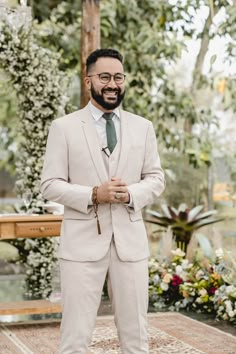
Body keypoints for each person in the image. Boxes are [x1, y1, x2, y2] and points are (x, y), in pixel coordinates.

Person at [41, 48, 165, 354]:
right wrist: (93, 194)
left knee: (136, 336)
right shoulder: (64, 128)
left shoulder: (143, 127)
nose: (113, 84)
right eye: (105, 77)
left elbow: (156, 179)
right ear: (88, 82)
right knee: (75, 336)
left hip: (130, 245)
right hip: (81, 246)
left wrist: (132, 193)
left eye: (119, 77)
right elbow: (49, 184)